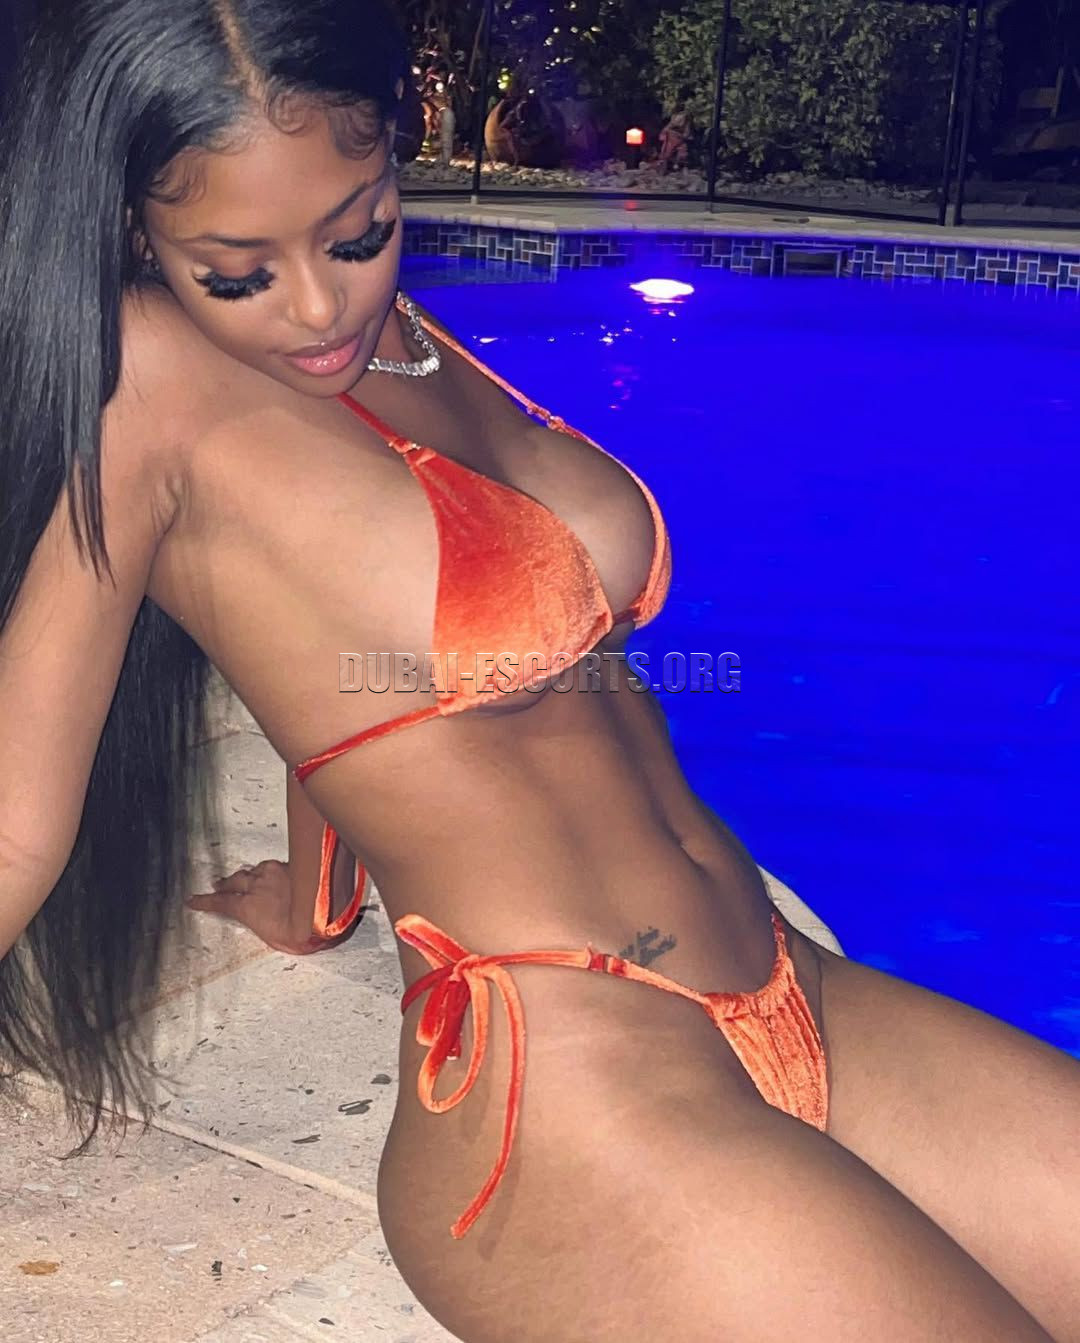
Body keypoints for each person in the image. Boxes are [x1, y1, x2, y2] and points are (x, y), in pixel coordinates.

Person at [0, 4, 1077, 1341]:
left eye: (359, 230)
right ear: (133, 231)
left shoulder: (405, 337)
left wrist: (319, 899)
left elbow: (350, 652)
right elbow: (15, 825)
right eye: (238, 272)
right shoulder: (146, 387)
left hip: (793, 992)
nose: (319, 303)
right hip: (571, 1102)